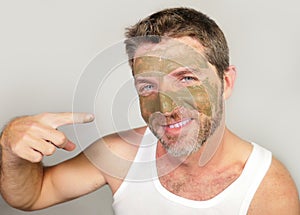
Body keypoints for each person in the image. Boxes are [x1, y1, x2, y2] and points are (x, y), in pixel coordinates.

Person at [0, 7, 299, 215]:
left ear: (226, 81)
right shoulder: (120, 155)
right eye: (147, 87)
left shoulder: (268, 189)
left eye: (186, 78)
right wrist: (10, 147)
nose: (165, 107)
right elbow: (31, 194)